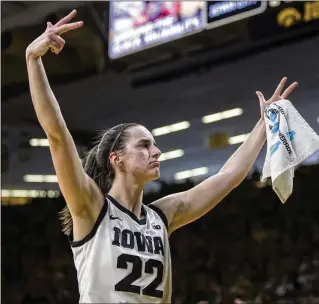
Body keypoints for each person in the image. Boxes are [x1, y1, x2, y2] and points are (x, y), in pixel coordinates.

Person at [25, 10, 298, 304]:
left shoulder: (161, 216)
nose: (156, 151)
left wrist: (264, 125)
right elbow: (57, 134)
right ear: (116, 159)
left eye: (154, 145)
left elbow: (228, 177)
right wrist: (33, 59)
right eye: (143, 145)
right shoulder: (91, 207)